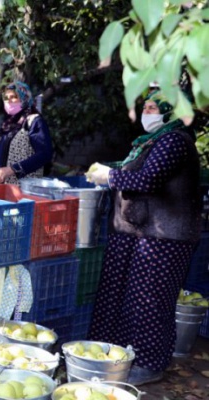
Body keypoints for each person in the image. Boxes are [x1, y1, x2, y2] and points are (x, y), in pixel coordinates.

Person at [85, 91, 202, 385]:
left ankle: (149, 364)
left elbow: (148, 179)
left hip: (165, 237)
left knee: (149, 301)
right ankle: (111, 356)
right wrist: (106, 169)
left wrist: (109, 177)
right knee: (117, 296)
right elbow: (132, 168)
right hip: (135, 231)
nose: (147, 112)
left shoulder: (176, 142)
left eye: (154, 107)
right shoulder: (149, 142)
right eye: (146, 106)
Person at [0, 81, 53, 185]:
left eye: (13, 97)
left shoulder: (34, 121)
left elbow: (45, 153)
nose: (9, 101)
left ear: (24, 98)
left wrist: (12, 169)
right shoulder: (8, 124)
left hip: (22, 189)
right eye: (6, 98)